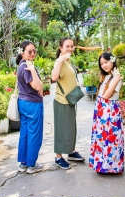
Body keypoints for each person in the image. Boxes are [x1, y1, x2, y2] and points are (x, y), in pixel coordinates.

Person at [50, 37, 86, 169]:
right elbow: (54, 77)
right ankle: (58, 157)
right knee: (61, 129)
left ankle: (70, 152)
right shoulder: (60, 61)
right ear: (61, 48)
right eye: (67, 46)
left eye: (72, 46)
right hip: (62, 101)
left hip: (70, 101)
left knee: (71, 129)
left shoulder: (68, 61)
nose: (70, 49)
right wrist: (60, 60)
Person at [89, 51, 125, 174]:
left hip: (110, 110)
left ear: (113, 60)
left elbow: (107, 96)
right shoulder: (108, 76)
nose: (104, 65)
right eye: (102, 63)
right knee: (102, 137)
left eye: (106, 62)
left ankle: (112, 167)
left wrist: (115, 79)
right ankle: (102, 165)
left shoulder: (117, 77)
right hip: (102, 109)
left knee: (111, 138)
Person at [15, 40, 45, 174]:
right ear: (22, 53)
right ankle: (31, 165)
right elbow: (37, 86)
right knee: (34, 135)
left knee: (25, 134)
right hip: (32, 104)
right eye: (29, 51)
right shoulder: (27, 67)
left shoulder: (21, 65)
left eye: (34, 51)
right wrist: (33, 70)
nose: (33, 54)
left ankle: (24, 163)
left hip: (23, 102)